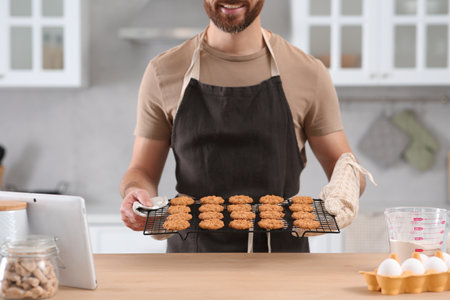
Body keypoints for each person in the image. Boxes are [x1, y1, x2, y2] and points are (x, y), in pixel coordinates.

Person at [120, 0, 369, 253]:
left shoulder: (308, 72)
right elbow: (142, 171)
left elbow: (346, 169)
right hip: (192, 260)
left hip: (282, 262)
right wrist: (137, 194)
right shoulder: (163, 71)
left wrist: (344, 192)